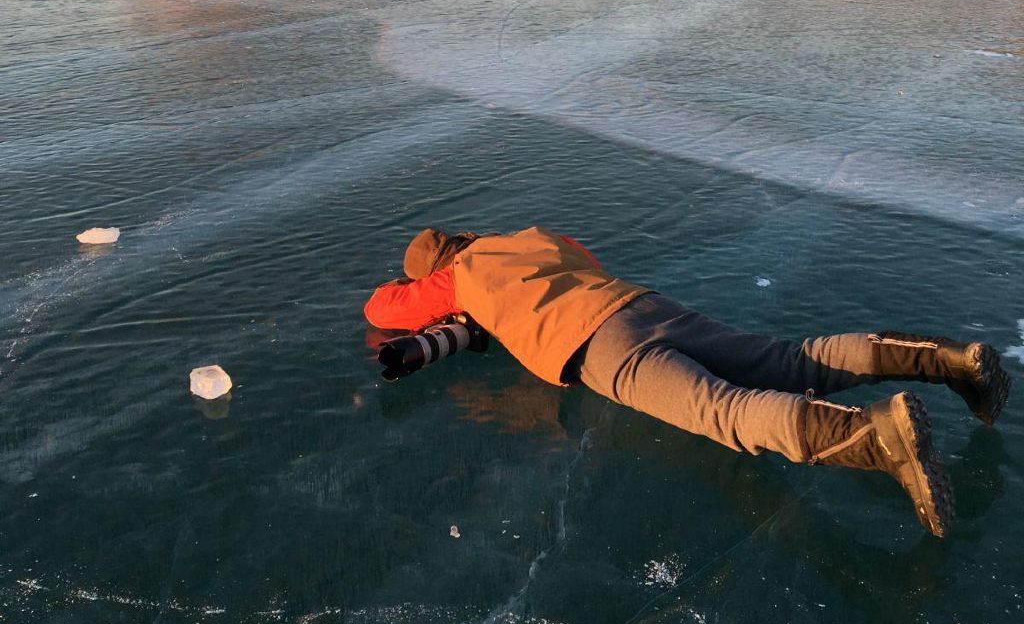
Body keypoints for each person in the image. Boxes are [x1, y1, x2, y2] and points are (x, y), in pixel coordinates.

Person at [365, 226, 1011, 537]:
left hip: (595, 345)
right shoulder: (529, 238)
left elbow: (383, 310)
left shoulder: (461, 277)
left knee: (725, 412)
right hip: (641, 303)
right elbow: (587, 254)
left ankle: (882, 437)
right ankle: (953, 361)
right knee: (790, 359)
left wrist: (457, 308)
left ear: (436, 269)